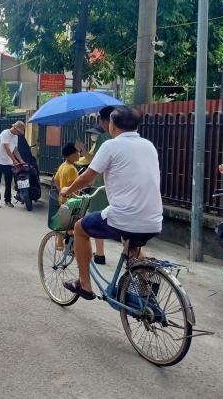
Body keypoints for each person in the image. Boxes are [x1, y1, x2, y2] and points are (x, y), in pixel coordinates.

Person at [60, 106, 162, 300]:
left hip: (124, 217)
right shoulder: (148, 145)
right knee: (132, 245)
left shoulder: (111, 145)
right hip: (154, 220)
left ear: (112, 124)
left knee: (80, 228)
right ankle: (147, 293)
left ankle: (84, 284)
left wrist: (68, 189)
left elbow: (87, 177)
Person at [75, 105, 115, 265]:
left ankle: (99, 254)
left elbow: (94, 162)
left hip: (102, 184)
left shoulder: (104, 138)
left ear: (105, 121)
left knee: (93, 219)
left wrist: (82, 149)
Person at [0, 121, 26, 208]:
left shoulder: (15, 137)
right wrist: (14, 160)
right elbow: (6, 147)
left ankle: (7, 200)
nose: (19, 133)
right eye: (19, 131)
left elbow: (15, 150)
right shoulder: (5, 133)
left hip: (8, 163)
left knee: (8, 182)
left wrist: (21, 160)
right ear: (15, 128)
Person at [53, 142, 80, 249]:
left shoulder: (62, 166)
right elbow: (72, 185)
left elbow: (55, 179)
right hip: (72, 200)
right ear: (72, 154)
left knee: (63, 222)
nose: (79, 154)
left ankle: (59, 244)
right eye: (77, 152)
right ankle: (71, 246)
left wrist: (61, 191)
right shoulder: (72, 169)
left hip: (62, 199)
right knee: (73, 224)